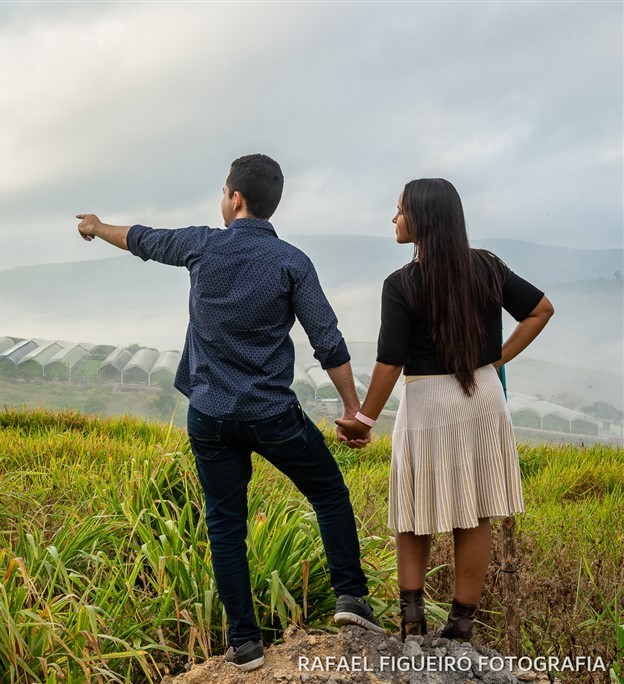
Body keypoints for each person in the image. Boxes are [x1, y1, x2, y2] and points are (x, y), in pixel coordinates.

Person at [75, 154, 383, 673]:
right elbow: (327, 340)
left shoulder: (202, 245)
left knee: (225, 525)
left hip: (210, 416)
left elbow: (144, 240)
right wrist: (355, 410)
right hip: (272, 414)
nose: (222, 200)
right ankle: (350, 599)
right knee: (328, 491)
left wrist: (96, 226)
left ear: (236, 198)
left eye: (223, 192)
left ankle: (245, 644)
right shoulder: (292, 262)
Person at [336, 178, 553, 642]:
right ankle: (460, 626)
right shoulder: (487, 268)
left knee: (414, 509)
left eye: (398, 210)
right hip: (484, 397)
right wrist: (498, 358)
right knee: (475, 512)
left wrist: (364, 420)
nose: (393, 218)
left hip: (428, 403)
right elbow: (540, 310)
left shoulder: (401, 284)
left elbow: (391, 360)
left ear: (422, 219)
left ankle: (412, 623)